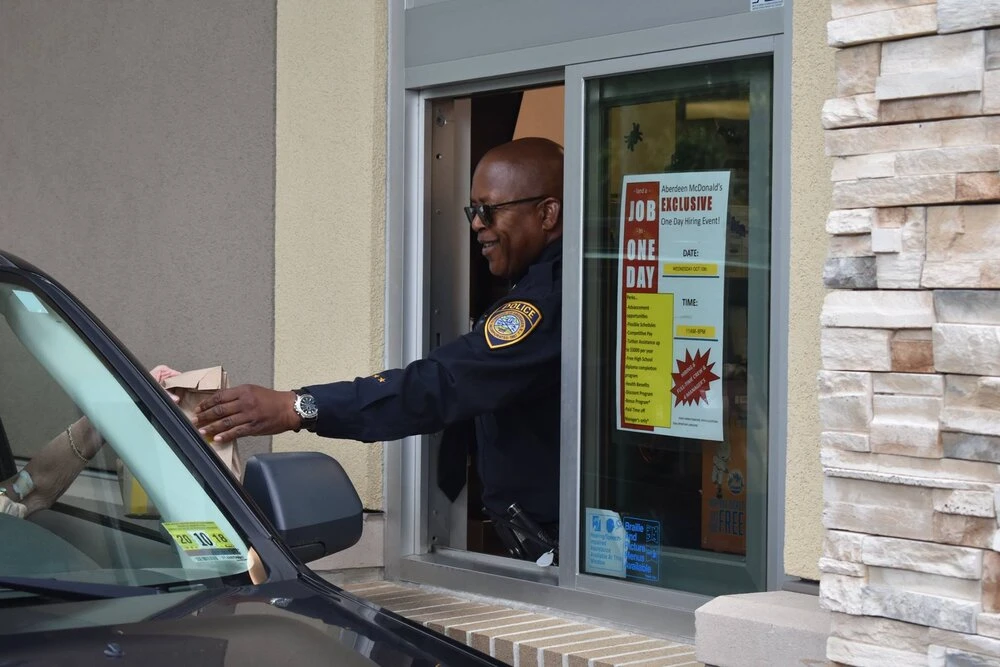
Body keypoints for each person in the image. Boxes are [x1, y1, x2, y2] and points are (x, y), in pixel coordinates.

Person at [193, 137, 565, 561]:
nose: (477, 224)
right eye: (472, 211)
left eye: (489, 209)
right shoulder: (549, 285)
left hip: (558, 553)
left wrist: (299, 407)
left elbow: (442, 384)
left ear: (547, 213)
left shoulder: (545, 303)